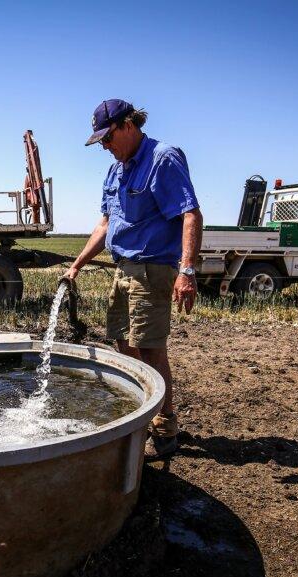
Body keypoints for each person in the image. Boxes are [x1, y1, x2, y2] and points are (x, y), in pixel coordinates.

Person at [63, 99, 202, 460]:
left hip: (152, 270)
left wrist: (186, 271)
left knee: (151, 348)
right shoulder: (116, 170)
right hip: (122, 269)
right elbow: (105, 224)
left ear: (128, 124)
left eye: (107, 138)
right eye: (101, 142)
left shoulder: (162, 158)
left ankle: (164, 424)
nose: (105, 147)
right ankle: (139, 417)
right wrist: (76, 265)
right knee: (124, 346)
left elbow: (190, 214)